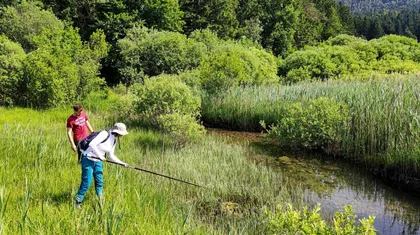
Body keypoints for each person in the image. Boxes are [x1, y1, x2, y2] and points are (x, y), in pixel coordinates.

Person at [74, 123, 129, 209]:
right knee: (87, 182)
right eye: (121, 134)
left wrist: (122, 163)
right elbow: (92, 144)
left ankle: (99, 199)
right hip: (88, 158)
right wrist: (100, 156)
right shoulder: (104, 134)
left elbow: (111, 155)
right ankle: (78, 201)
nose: (122, 136)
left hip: (98, 162)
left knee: (100, 181)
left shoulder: (114, 140)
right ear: (117, 132)